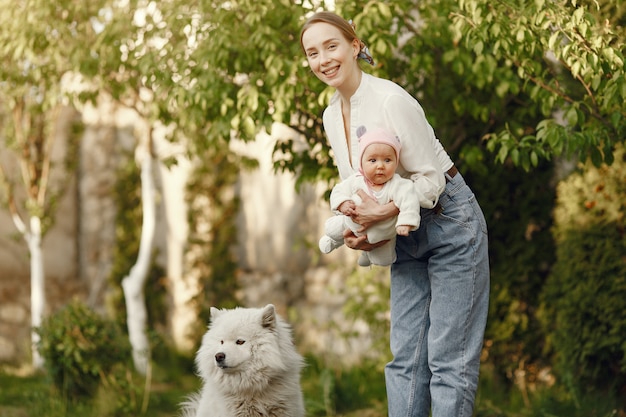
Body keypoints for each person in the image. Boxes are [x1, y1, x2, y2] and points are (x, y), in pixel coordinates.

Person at [300, 11, 490, 417]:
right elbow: (357, 184)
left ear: (354, 45)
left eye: (331, 46)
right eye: (312, 53)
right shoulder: (332, 116)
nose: (323, 60)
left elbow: (431, 180)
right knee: (405, 360)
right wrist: (356, 227)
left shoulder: (391, 99)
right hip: (400, 232)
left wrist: (383, 211)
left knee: (448, 362)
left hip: (449, 221)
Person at [319, 125, 420, 267]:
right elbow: (338, 191)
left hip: (381, 235)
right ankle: (334, 241)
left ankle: (367, 254)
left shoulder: (397, 184)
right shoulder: (356, 180)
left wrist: (406, 221)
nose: (380, 166)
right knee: (333, 229)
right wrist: (343, 203)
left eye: (387, 160)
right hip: (351, 223)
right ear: (362, 162)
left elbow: (409, 200)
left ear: (396, 162)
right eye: (373, 160)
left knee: (384, 261)